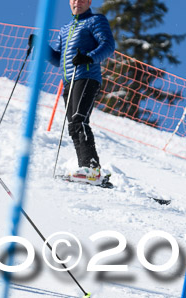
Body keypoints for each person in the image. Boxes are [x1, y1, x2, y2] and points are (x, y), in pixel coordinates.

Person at [49, 0, 115, 182]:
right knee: (73, 125)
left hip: (87, 76)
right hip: (69, 81)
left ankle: (92, 168)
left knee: (79, 119)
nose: (77, 2)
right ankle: (85, 170)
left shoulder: (95, 20)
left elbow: (108, 44)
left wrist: (89, 58)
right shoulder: (65, 29)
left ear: (89, 2)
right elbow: (58, 59)